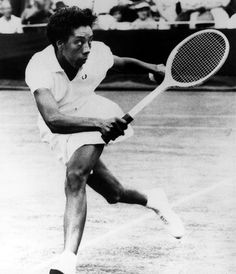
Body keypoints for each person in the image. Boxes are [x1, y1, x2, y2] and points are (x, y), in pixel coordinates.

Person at [25, 7, 185, 274]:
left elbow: (121, 62)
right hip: (61, 125)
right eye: (79, 42)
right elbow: (53, 118)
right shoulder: (40, 67)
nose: (88, 48)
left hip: (92, 110)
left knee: (75, 175)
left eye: (90, 39)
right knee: (114, 193)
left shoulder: (96, 53)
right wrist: (99, 125)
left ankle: (66, 262)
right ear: (60, 44)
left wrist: (153, 69)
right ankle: (154, 200)